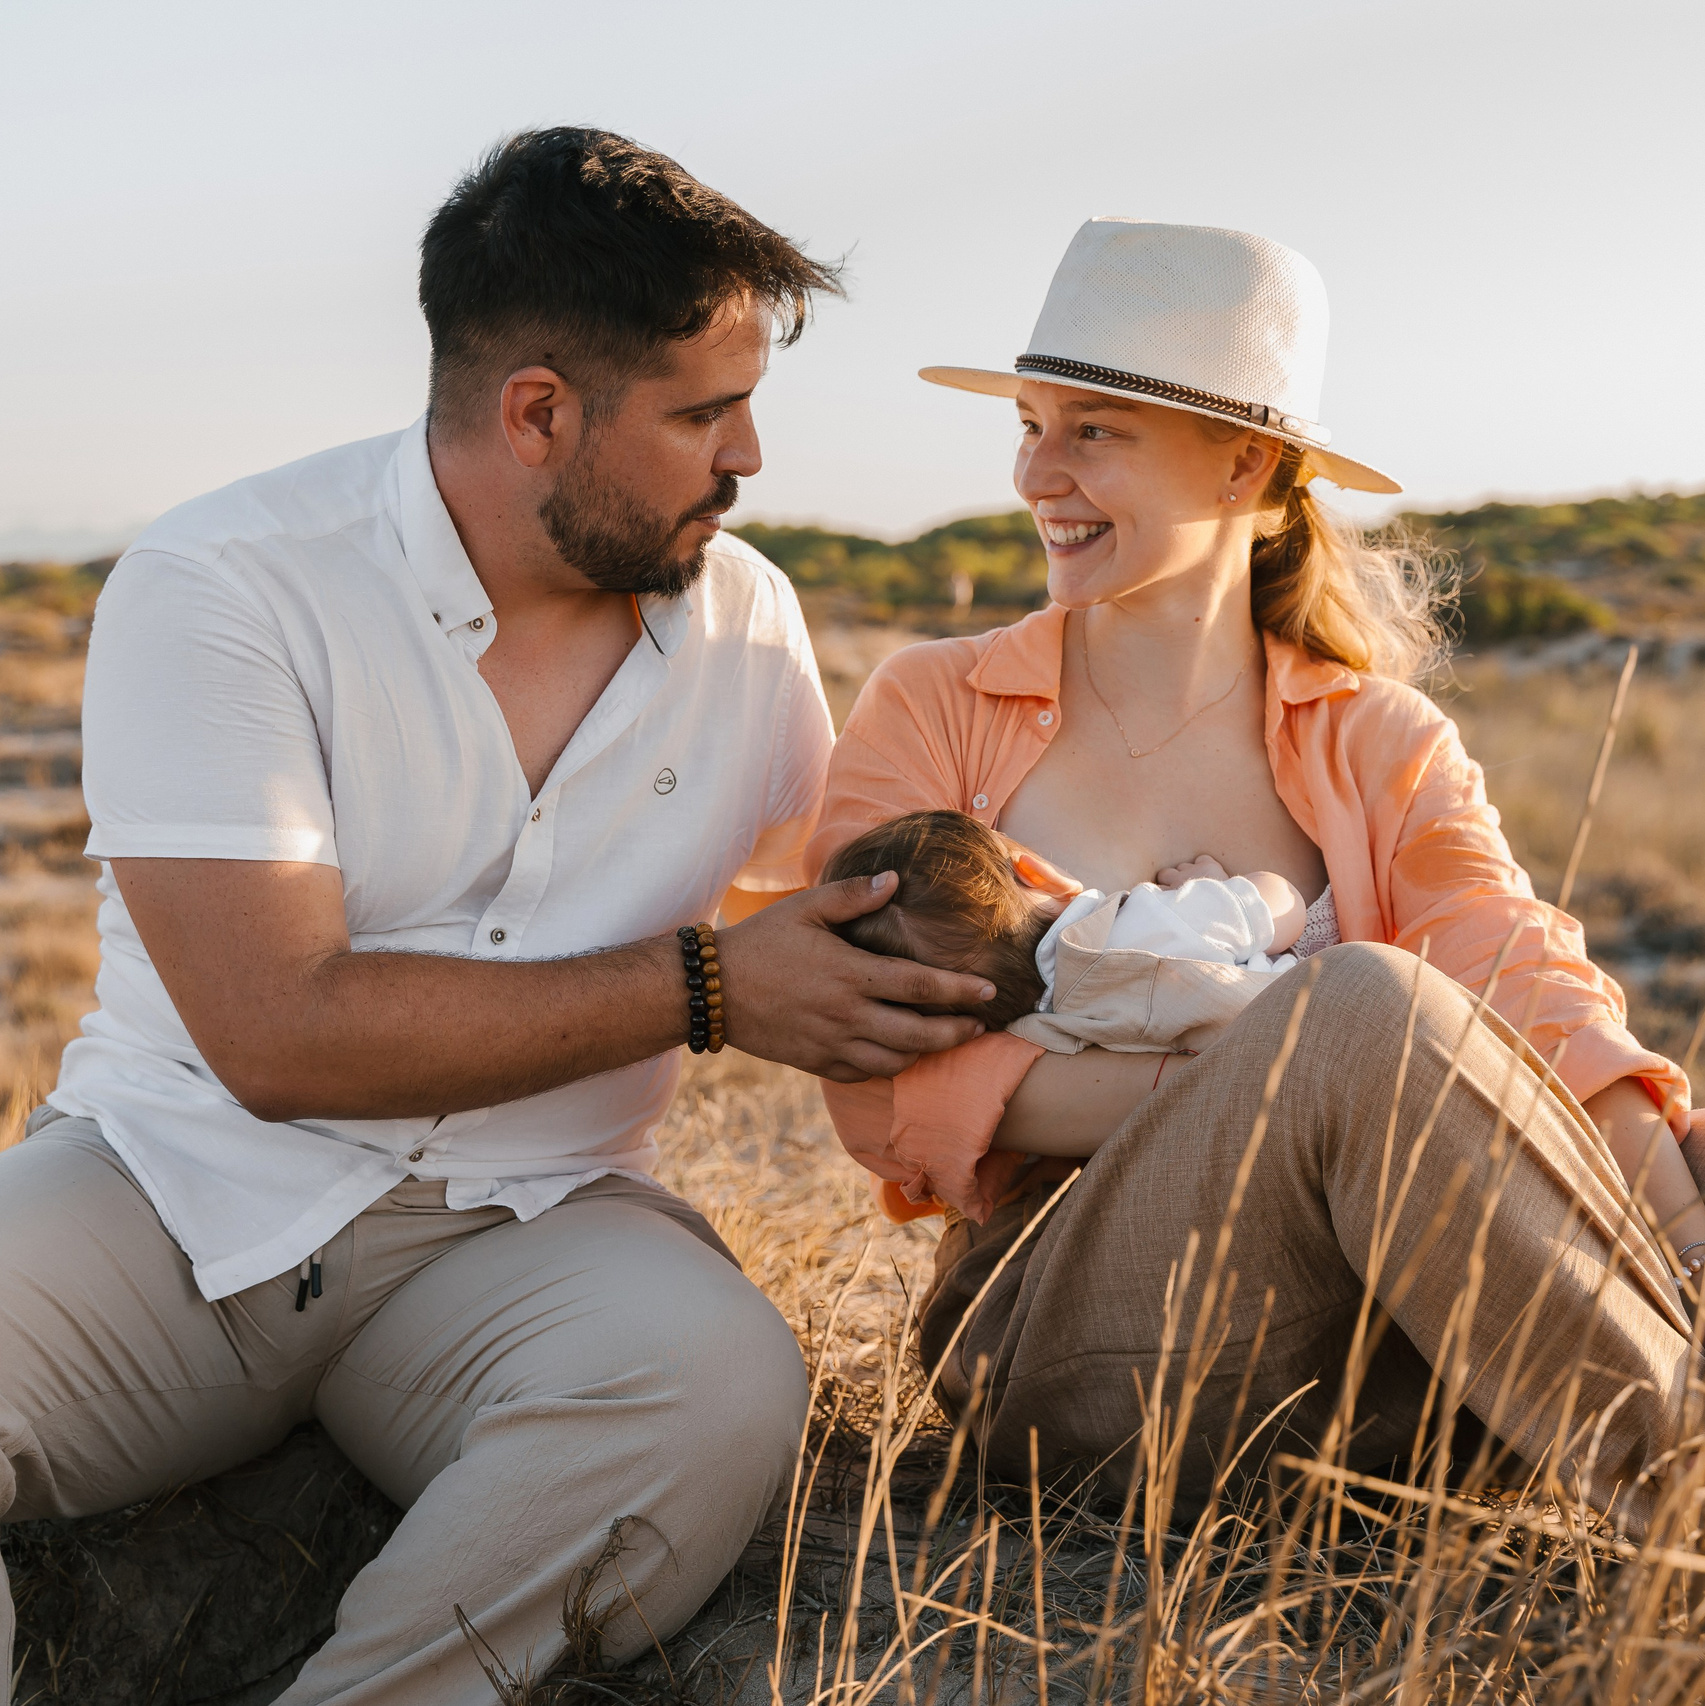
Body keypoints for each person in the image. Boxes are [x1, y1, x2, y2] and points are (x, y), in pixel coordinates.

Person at [0, 130, 1002, 1705]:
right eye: (702, 413)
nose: (748, 456)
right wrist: (704, 987)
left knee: (713, 1383)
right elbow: (275, 1032)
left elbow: (832, 899)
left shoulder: (747, 618)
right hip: (174, 1193)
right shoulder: (225, 583)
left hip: (536, 1227)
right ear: (538, 412)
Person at [808, 218, 1705, 1535]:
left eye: (1092, 430)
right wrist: (1269, 1072)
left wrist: (1679, 1221)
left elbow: (1523, 982)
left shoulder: (1381, 740)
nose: (1035, 472)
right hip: (1065, 1328)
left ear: (1245, 464)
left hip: (1384, 1337)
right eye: (1030, 424)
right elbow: (871, 1069)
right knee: (1357, 1009)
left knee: (1630, 1126)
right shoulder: (933, 706)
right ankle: (1686, 1489)